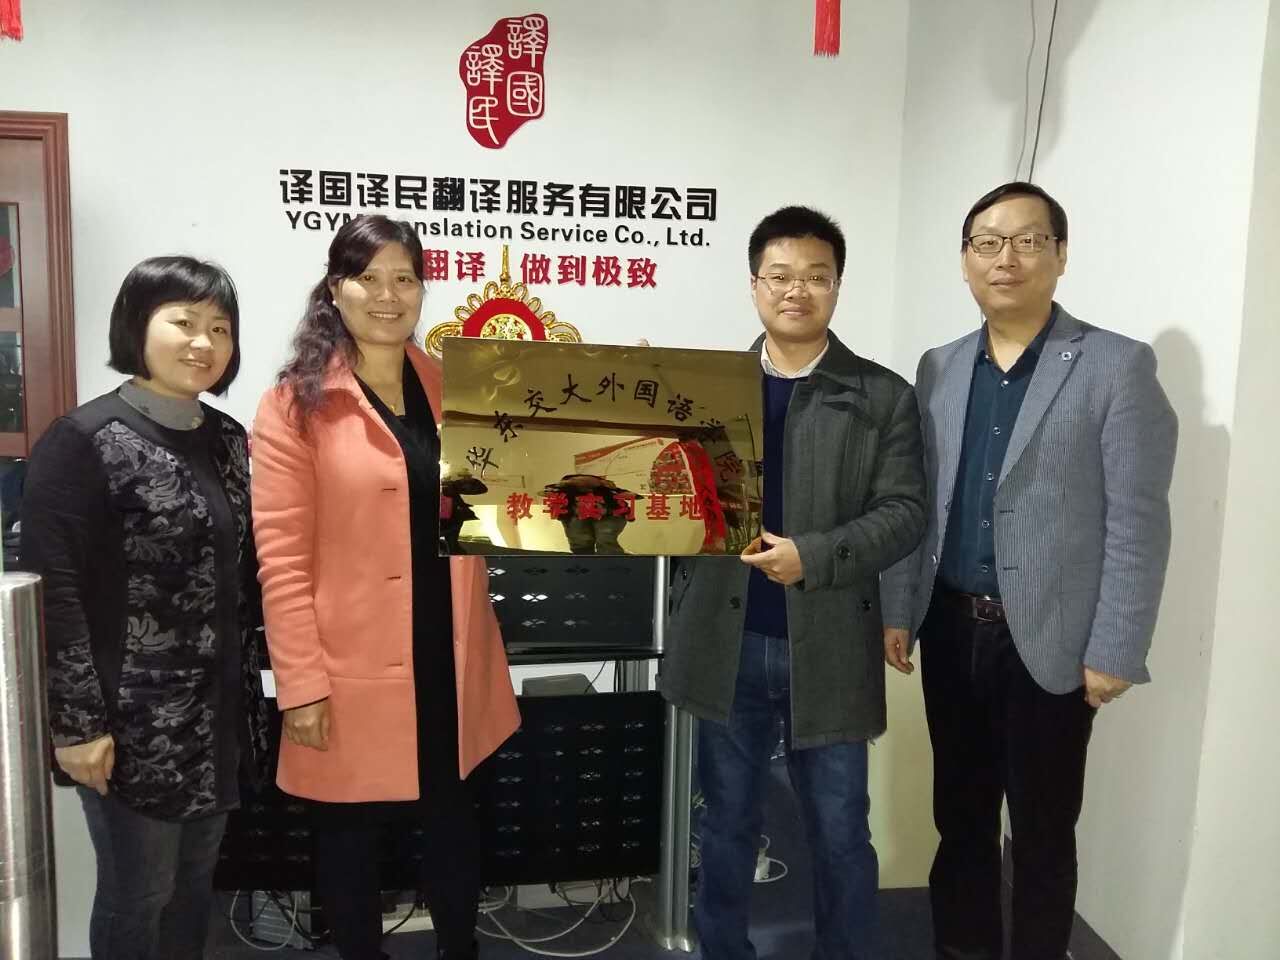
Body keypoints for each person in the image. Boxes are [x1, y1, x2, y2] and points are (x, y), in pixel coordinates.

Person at [881, 181, 1178, 960]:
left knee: (1043, 832)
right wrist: (899, 608)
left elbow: (1139, 521)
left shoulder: (1115, 366)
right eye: (987, 243)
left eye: (1027, 240)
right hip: (952, 627)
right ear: (965, 261)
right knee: (960, 820)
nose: (1005, 258)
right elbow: (922, 502)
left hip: (1049, 640)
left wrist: (1116, 648)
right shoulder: (940, 367)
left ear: (1060, 254)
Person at [660, 205, 927, 959]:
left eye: (816, 277)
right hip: (727, 643)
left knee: (840, 830)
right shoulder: (704, 391)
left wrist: (815, 554)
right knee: (725, 824)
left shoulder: (880, 395)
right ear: (754, 286)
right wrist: (640, 400)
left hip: (830, 643)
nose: (796, 291)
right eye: (779, 276)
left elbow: (905, 512)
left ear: (837, 287)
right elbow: (659, 496)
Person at [251, 214, 520, 960]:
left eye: (405, 279)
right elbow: (280, 560)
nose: (387, 295)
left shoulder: (456, 387)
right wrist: (301, 686)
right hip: (348, 669)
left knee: (454, 832)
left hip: (450, 657)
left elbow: (515, 494)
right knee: (349, 843)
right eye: (368, 278)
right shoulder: (294, 406)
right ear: (335, 288)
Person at [21, 256, 268, 960]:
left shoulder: (228, 440)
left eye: (219, 328)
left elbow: (242, 573)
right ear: (137, 325)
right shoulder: (83, 439)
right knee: (139, 896)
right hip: (129, 726)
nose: (203, 342)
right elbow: (54, 591)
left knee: (195, 889)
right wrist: (76, 727)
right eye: (183, 322)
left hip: (217, 718)